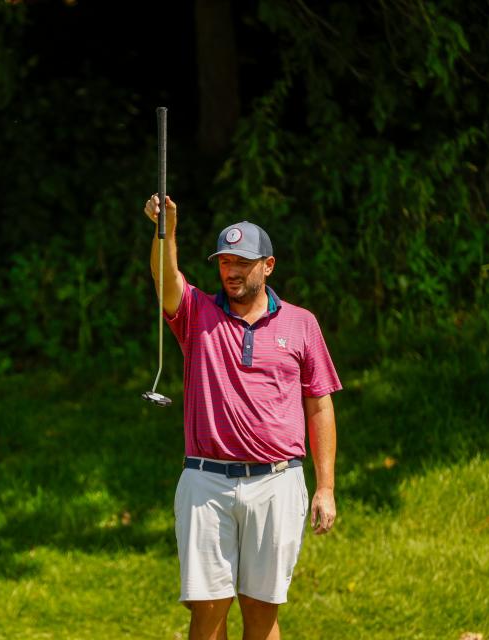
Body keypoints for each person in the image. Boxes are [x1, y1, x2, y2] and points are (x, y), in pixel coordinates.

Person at [143, 194, 341, 640]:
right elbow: (165, 277)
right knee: (208, 609)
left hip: (277, 480)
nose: (231, 271)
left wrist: (325, 487)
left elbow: (320, 403)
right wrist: (166, 229)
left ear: (268, 265)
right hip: (206, 481)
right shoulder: (197, 314)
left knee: (261, 610)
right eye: (224, 261)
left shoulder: (301, 323)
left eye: (242, 262)